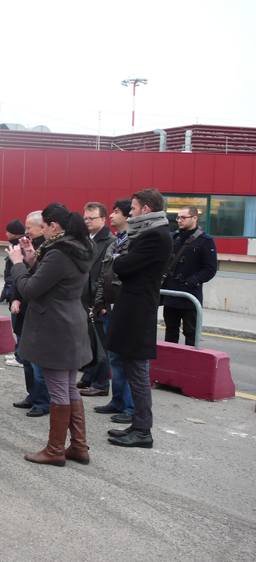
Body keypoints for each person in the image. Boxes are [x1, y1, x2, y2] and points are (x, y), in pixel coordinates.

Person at [7, 203, 93, 466]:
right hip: (70, 322)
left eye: (42, 226)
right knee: (68, 387)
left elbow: (31, 289)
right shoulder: (78, 247)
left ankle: (55, 450)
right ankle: (78, 446)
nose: (38, 232)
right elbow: (54, 279)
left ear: (54, 226)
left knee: (58, 390)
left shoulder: (58, 253)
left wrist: (19, 264)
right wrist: (33, 259)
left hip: (55, 326)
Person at [106, 188, 173, 448]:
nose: (129, 214)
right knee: (133, 369)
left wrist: (119, 256)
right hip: (134, 307)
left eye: (132, 209)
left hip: (138, 310)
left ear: (145, 210)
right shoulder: (150, 233)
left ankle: (143, 430)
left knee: (137, 372)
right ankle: (138, 425)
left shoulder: (154, 235)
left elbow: (121, 266)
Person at [92, 198, 137, 423]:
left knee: (128, 360)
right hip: (108, 310)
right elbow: (103, 277)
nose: (111, 216)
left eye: (116, 212)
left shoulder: (135, 242)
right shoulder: (115, 243)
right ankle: (118, 401)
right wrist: (99, 303)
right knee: (115, 359)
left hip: (125, 310)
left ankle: (131, 407)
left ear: (128, 215)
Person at [10, 211, 51, 418]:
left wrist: (26, 258)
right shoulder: (26, 245)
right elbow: (20, 275)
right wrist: (15, 297)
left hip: (39, 310)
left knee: (37, 362)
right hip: (24, 306)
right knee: (25, 357)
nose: (25, 232)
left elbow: (34, 277)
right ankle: (32, 395)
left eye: (29, 228)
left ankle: (43, 401)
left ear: (42, 227)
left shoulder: (47, 249)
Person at [161, 205, 218, 347]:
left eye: (183, 217)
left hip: (190, 296)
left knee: (191, 333)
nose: (179, 220)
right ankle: (171, 363)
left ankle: (191, 365)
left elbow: (210, 269)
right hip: (171, 294)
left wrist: (192, 281)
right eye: (178, 217)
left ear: (194, 218)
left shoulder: (205, 241)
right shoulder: (173, 237)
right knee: (170, 332)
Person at [77, 202, 115, 397]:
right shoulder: (85, 239)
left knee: (100, 343)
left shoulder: (110, 241)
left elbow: (107, 274)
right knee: (87, 340)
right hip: (81, 297)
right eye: (86, 218)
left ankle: (101, 383)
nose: (88, 221)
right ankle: (88, 376)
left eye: (92, 218)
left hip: (97, 299)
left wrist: (101, 300)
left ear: (103, 219)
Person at [2, 219, 26, 368]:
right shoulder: (18, 245)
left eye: (8, 231)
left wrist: (11, 292)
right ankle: (19, 353)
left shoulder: (19, 247)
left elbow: (14, 273)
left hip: (17, 291)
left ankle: (20, 357)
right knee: (17, 325)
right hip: (15, 290)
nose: (5, 233)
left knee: (18, 324)